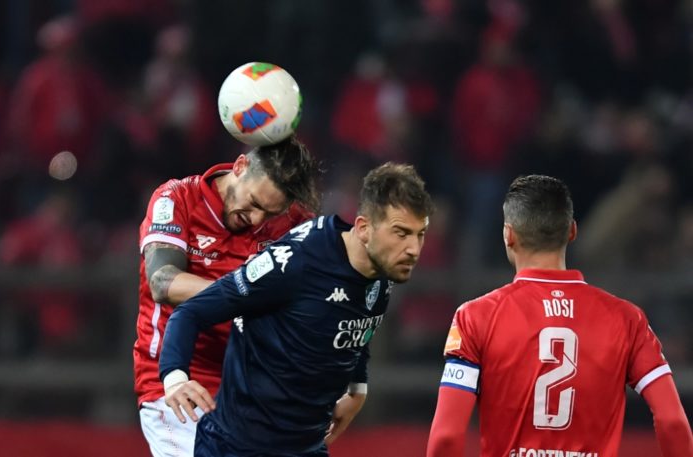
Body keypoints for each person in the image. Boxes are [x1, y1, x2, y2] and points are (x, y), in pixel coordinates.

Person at [159, 162, 434, 456]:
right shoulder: (294, 261)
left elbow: (355, 328)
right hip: (236, 447)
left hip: (306, 447)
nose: (414, 249)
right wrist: (174, 377)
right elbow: (191, 312)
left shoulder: (383, 269)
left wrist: (358, 388)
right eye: (401, 233)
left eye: (420, 234)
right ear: (364, 228)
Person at [427, 175, 693, 457]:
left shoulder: (475, 317)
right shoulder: (627, 319)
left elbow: (446, 436)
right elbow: (673, 421)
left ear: (509, 235)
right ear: (572, 231)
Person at [134, 136, 320, 457]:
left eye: (270, 213)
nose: (257, 219)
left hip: (256, 389)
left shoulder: (297, 224)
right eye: (255, 203)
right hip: (178, 382)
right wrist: (244, 291)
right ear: (240, 166)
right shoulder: (177, 198)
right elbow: (162, 282)